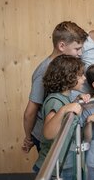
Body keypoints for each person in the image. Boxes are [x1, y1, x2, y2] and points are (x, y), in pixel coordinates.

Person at [22, 21, 88, 153]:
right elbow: (30, 112)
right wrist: (28, 138)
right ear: (62, 46)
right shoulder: (44, 71)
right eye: (77, 49)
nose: (80, 53)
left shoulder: (68, 68)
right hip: (47, 137)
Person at [34, 54, 90, 180]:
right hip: (55, 169)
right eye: (80, 75)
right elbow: (48, 133)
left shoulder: (66, 97)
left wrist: (77, 100)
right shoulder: (55, 101)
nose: (84, 78)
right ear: (68, 76)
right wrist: (65, 109)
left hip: (68, 164)